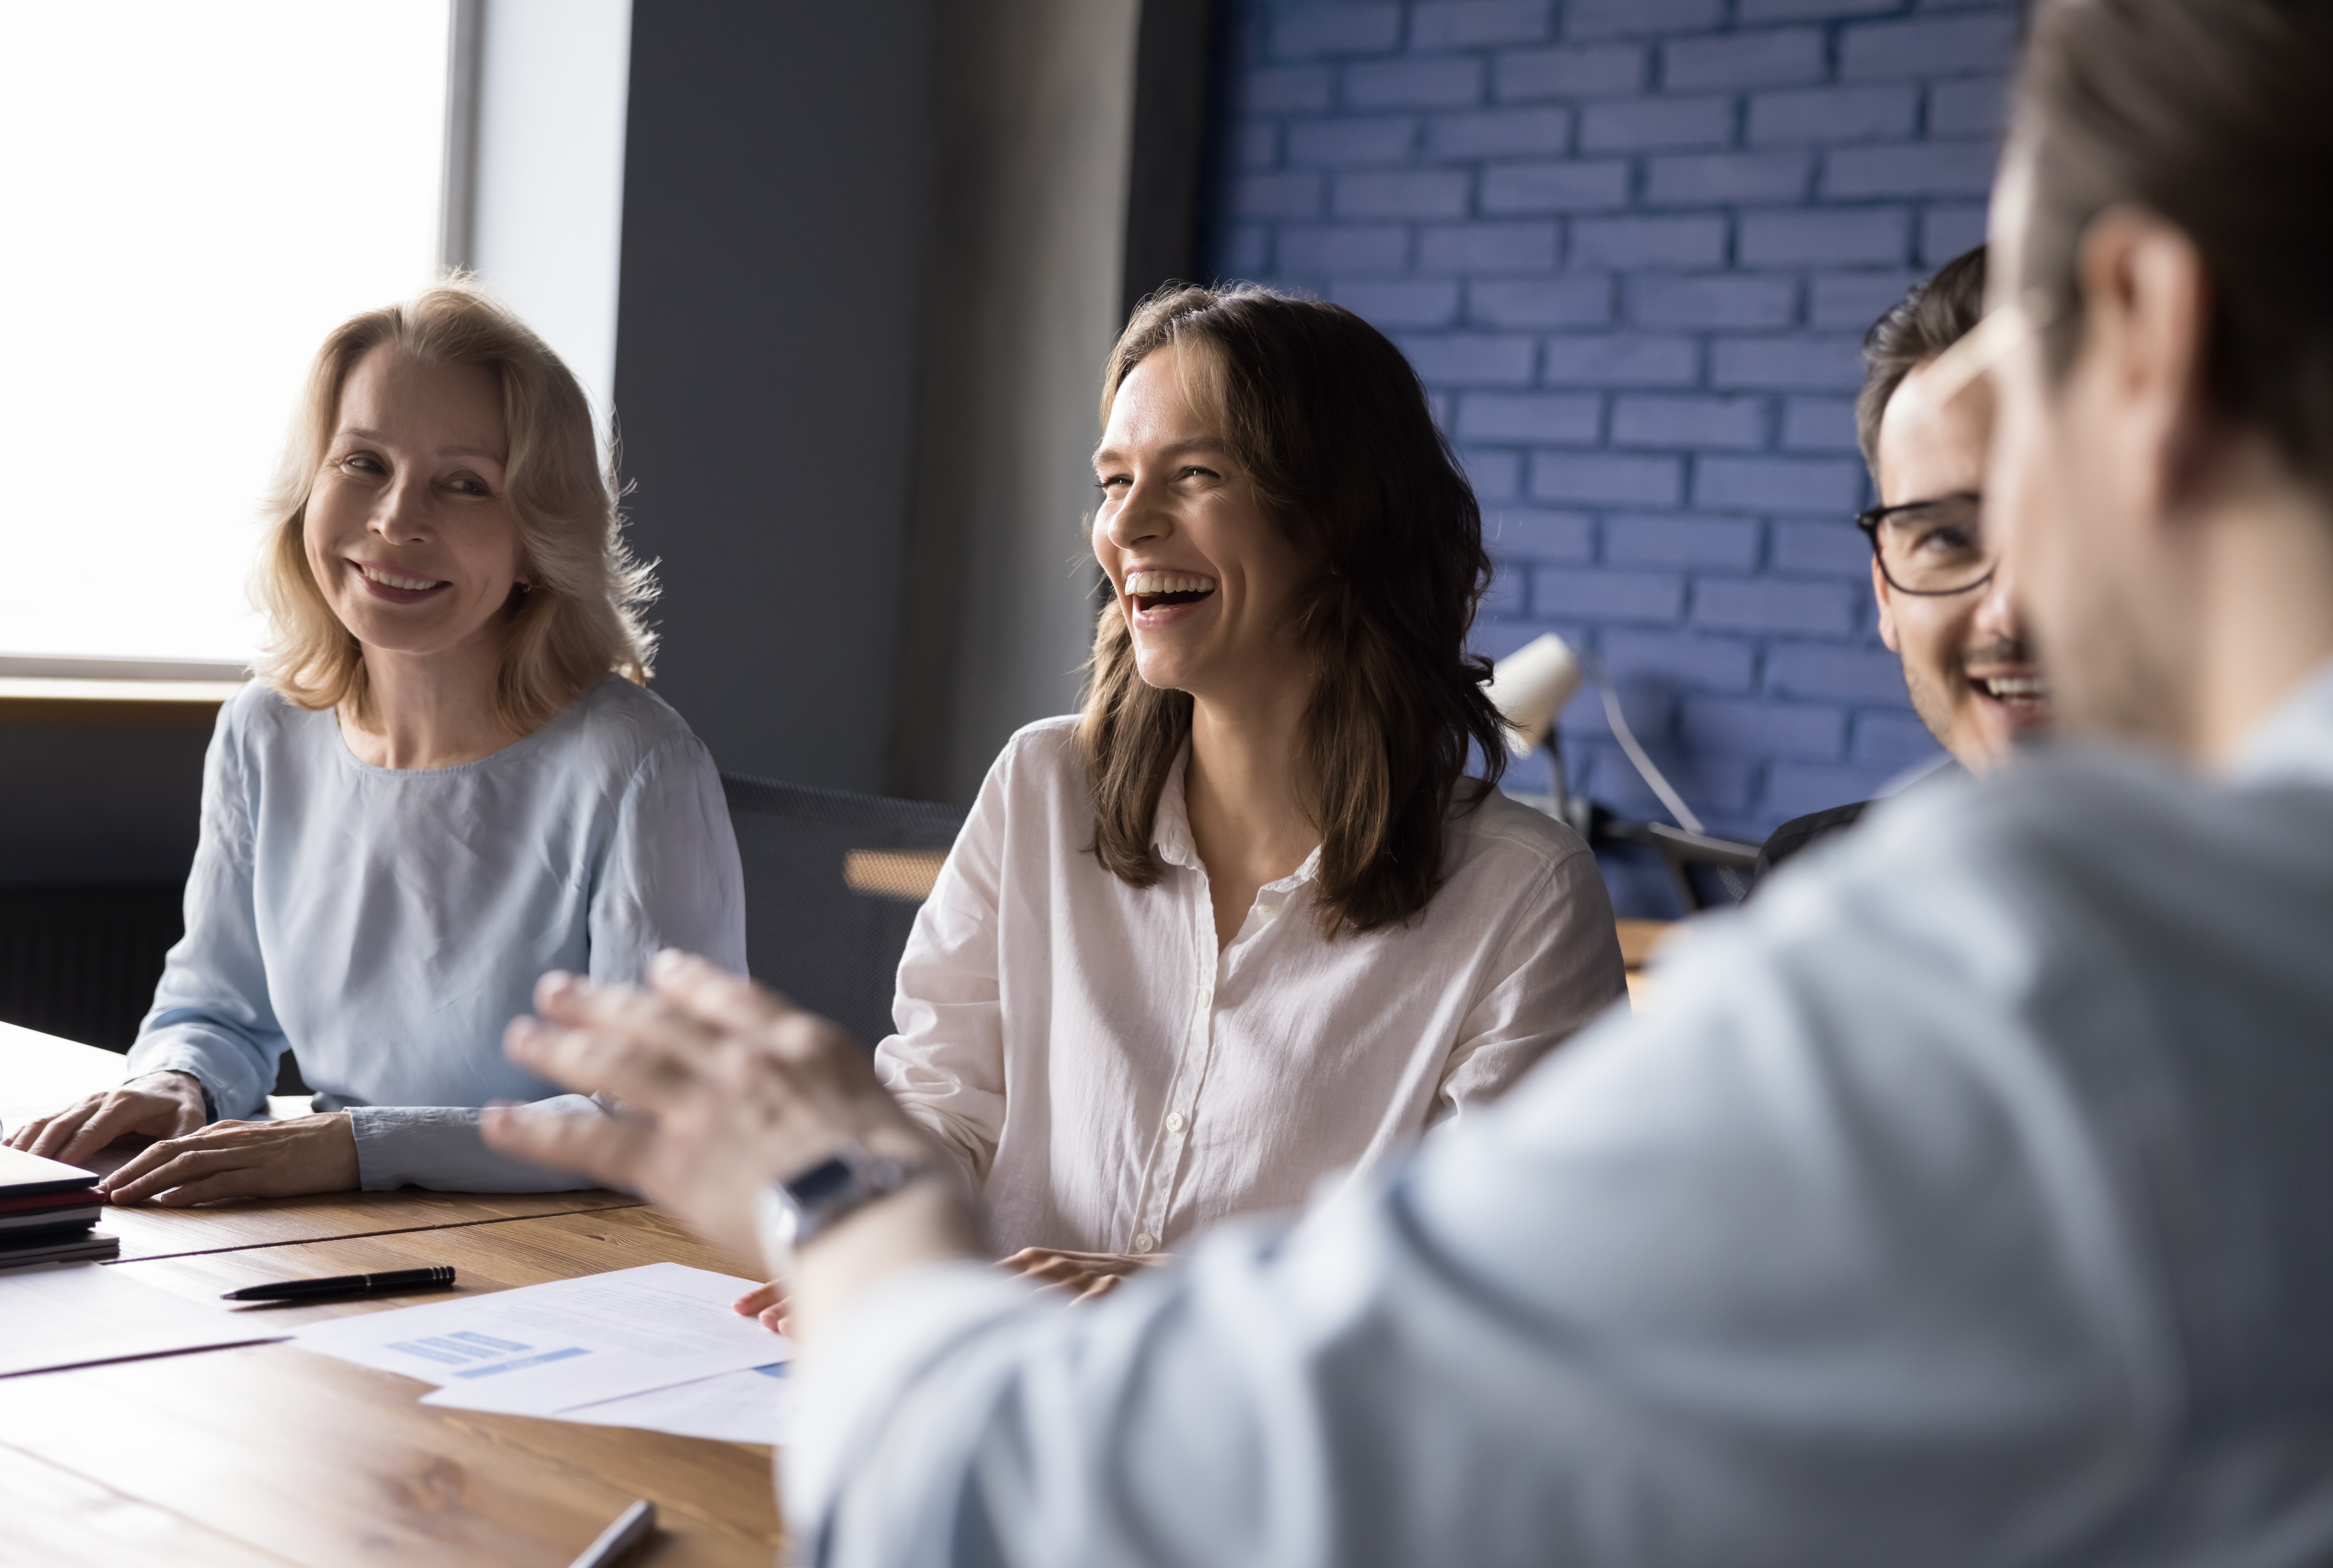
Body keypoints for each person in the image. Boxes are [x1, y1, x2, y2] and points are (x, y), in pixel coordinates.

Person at [487, 0, 2333, 1557]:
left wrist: (840, 1194)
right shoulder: (1046, 790)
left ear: (2144, 324)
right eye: (1928, 532)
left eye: (1195, 473)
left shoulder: (2034, 965)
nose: (1995, 593)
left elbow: (1033, 1495)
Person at [755, 285, 1624, 1314]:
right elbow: (945, 1106)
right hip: (1004, 1389)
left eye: (1196, 474)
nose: (1127, 524)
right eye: (1115, 480)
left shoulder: (1522, 895)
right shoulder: (1039, 790)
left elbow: (1506, 1270)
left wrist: (1172, 1294)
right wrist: (866, 1228)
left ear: (1344, 517)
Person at [10, 282, 743, 1202]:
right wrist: (180, 1078)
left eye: (466, 484)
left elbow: (659, 1119)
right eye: (363, 463)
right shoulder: (265, 729)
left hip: (565, 1250)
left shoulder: (635, 765)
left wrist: (360, 1147)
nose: (396, 520)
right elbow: (218, 1011)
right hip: (337, 1220)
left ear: (536, 539)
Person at [1755, 245, 2052, 876]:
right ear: (1885, 593)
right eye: (1946, 539)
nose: (2008, 612)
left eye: (2069, 532)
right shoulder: (1816, 885)